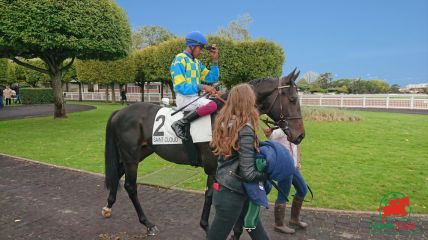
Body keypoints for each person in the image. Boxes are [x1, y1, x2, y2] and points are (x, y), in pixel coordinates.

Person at [208, 83, 269, 240]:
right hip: (233, 193)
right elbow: (248, 173)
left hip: (228, 188)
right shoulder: (245, 129)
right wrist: (267, 173)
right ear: (249, 101)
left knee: (255, 228)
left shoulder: (224, 123)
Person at [170, 31, 219, 140]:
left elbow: (212, 78)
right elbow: (180, 86)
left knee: (218, 103)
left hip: (194, 98)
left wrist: (215, 60)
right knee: (212, 105)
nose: (201, 52)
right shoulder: (179, 60)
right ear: (191, 47)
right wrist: (202, 87)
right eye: (200, 48)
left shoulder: (197, 63)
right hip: (184, 99)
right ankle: (180, 123)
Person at [263, 128, 308, 234]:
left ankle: (294, 219)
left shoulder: (293, 128)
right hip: (284, 166)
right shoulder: (280, 130)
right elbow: (271, 136)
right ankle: (278, 224)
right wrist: (270, 131)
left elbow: (297, 145)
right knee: (283, 194)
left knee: (302, 190)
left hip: (294, 167)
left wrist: (298, 161)